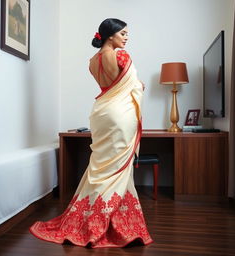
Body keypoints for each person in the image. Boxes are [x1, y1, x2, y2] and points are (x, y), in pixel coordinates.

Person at [30, 18, 153, 248]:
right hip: (120, 114)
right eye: (123, 34)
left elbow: (111, 84)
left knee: (101, 166)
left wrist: (132, 84)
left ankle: (104, 219)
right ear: (110, 35)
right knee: (117, 168)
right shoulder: (121, 56)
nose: (127, 37)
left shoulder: (92, 61)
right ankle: (110, 225)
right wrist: (138, 84)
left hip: (101, 112)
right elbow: (132, 85)